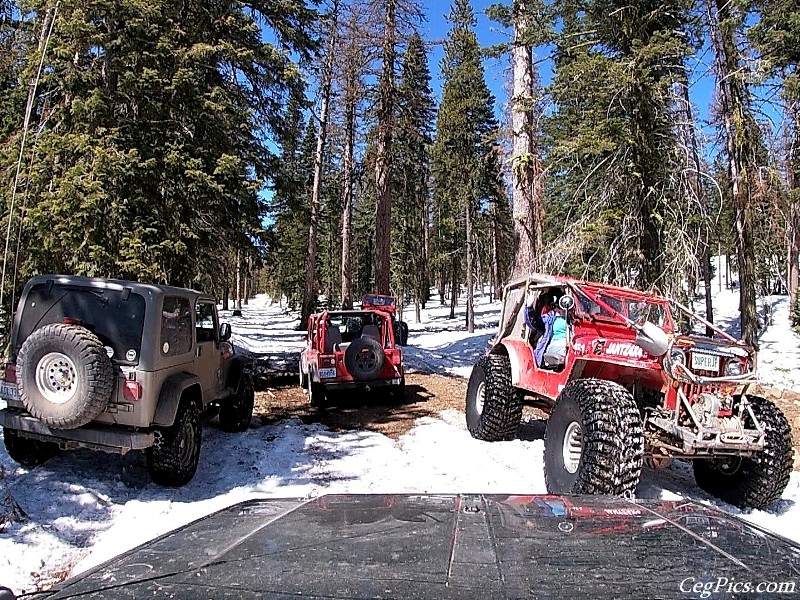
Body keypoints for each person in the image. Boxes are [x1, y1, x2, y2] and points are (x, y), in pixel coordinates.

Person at [535, 298, 567, 368]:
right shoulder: (550, 317)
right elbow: (534, 323)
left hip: (571, 344)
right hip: (556, 344)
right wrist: (529, 308)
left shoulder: (575, 317)